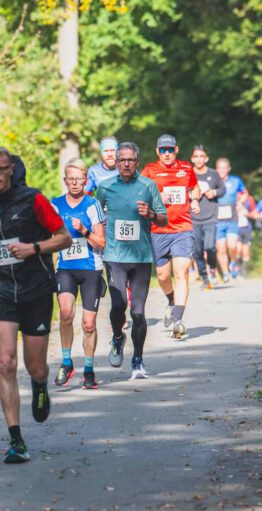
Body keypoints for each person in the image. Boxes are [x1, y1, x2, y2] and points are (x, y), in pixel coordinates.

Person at [0, 146, 72, 464]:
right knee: (5, 361)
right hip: (0, 290)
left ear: (11, 169)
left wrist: (34, 248)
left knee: (35, 365)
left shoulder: (33, 199)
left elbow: (64, 238)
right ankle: (16, 440)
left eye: (1, 169)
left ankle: (40, 385)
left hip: (36, 289)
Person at [96, 142, 167, 379]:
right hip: (115, 256)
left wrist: (150, 214)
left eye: (130, 160)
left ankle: (138, 360)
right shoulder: (105, 187)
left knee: (138, 312)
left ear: (137, 162)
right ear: (116, 163)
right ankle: (118, 337)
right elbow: (95, 215)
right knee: (118, 306)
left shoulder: (148, 185)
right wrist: (100, 228)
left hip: (141, 257)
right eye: (122, 160)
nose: (126, 163)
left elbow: (164, 219)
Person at [51, 158, 107, 390]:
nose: (75, 183)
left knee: (89, 323)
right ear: (65, 180)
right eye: (70, 179)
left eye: (79, 179)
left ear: (86, 180)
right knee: (65, 313)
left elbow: (101, 243)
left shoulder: (92, 205)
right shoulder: (55, 205)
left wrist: (84, 230)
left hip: (90, 268)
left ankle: (89, 369)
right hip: (66, 268)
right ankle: (66, 363)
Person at [141, 134, 200, 338]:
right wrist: (157, 197)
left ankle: (178, 320)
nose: (167, 153)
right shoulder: (149, 171)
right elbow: (139, 196)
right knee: (163, 276)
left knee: (181, 272)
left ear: (176, 150)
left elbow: (195, 187)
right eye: (163, 150)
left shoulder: (186, 169)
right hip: (158, 230)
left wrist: (195, 199)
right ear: (158, 151)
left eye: (170, 149)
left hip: (182, 229)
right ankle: (171, 300)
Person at [190, 145, 226, 290]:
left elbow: (223, 189)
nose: (199, 159)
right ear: (192, 159)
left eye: (201, 156)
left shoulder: (213, 174)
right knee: (197, 250)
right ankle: (204, 277)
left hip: (211, 215)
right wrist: (190, 196)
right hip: (194, 217)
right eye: (196, 156)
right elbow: (181, 190)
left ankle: (212, 266)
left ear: (206, 158)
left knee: (210, 246)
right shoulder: (187, 174)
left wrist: (214, 193)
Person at [215, 157, 247, 283]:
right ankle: (226, 273)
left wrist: (240, 202)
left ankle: (233, 262)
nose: (222, 170)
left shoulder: (235, 181)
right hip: (217, 219)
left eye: (225, 167)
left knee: (232, 245)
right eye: (220, 168)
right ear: (216, 169)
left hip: (232, 218)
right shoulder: (213, 181)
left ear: (228, 169)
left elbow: (245, 193)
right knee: (221, 248)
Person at [235, 192, 256, 278]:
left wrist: (247, 214)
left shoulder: (249, 200)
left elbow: (254, 214)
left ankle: (244, 270)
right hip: (236, 228)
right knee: (238, 249)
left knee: (245, 250)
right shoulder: (232, 201)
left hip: (246, 228)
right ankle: (237, 269)